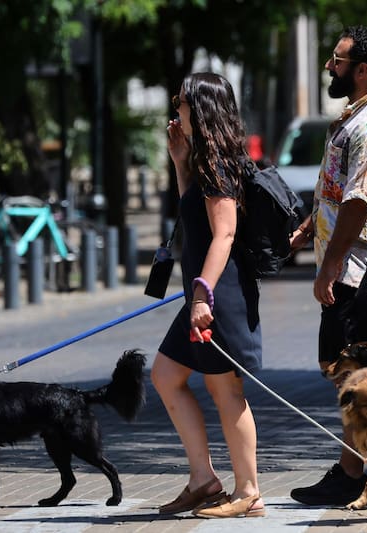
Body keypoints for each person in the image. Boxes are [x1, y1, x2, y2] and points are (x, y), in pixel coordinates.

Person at [287, 25, 367, 506]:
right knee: (354, 369)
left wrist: (329, 265)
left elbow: (361, 201)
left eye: (337, 60)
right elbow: (344, 191)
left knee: (353, 370)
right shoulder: (363, 114)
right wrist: (312, 224)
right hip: (359, 261)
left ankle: (366, 467)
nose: (329, 66)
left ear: (362, 70)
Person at [151, 72, 265, 519]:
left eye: (180, 100)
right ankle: (203, 479)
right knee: (166, 375)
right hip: (201, 295)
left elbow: (225, 233)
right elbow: (194, 217)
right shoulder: (204, 159)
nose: (175, 107)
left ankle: (249, 491)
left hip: (219, 296)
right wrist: (180, 162)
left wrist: (202, 295)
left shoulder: (219, 162)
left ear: (199, 107)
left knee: (225, 389)